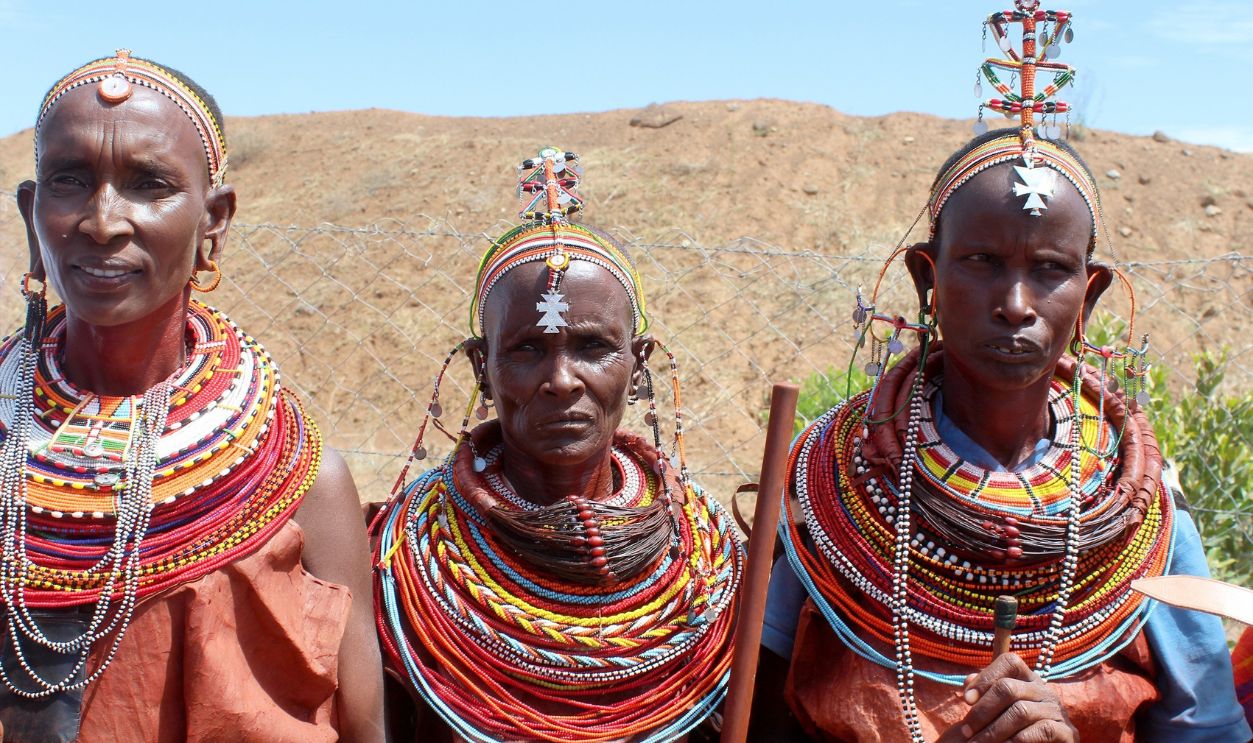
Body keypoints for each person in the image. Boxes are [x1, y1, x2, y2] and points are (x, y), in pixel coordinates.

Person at [751, 5, 1253, 741]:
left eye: (1049, 270)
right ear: (927, 280)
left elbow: (1202, 729)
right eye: (981, 262)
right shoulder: (825, 483)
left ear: (1090, 296)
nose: (1014, 304)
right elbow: (758, 717)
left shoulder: (1142, 508)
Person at [3, 50, 384, 742]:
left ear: (215, 221)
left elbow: (363, 727)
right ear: (32, 212)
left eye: (148, 183)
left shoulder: (294, 479)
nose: (103, 220)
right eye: (69, 180)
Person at [371, 148, 743, 742]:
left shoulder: (714, 561)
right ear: (481, 370)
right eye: (525, 350)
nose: (562, 380)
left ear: (639, 366)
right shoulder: (401, 562)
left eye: (594, 347)